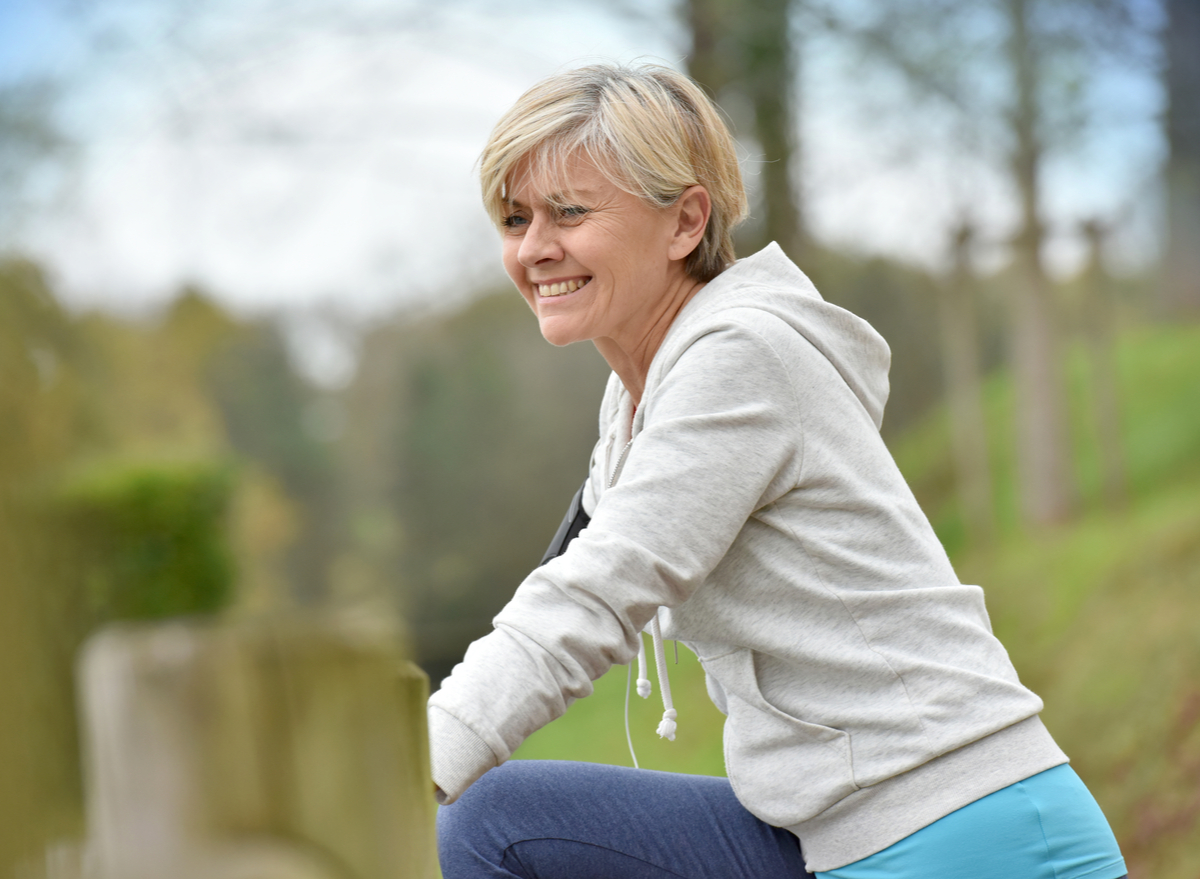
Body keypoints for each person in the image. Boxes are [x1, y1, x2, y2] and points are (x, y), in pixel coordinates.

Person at [428, 62, 1127, 879]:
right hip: (827, 833)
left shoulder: (743, 359)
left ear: (686, 221)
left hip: (961, 833)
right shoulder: (635, 402)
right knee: (496, 823)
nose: (535, 247)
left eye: (570, 212)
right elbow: (556, 586)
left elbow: (593, 594)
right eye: (515, 219)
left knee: (484, 818)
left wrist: (405, 776)